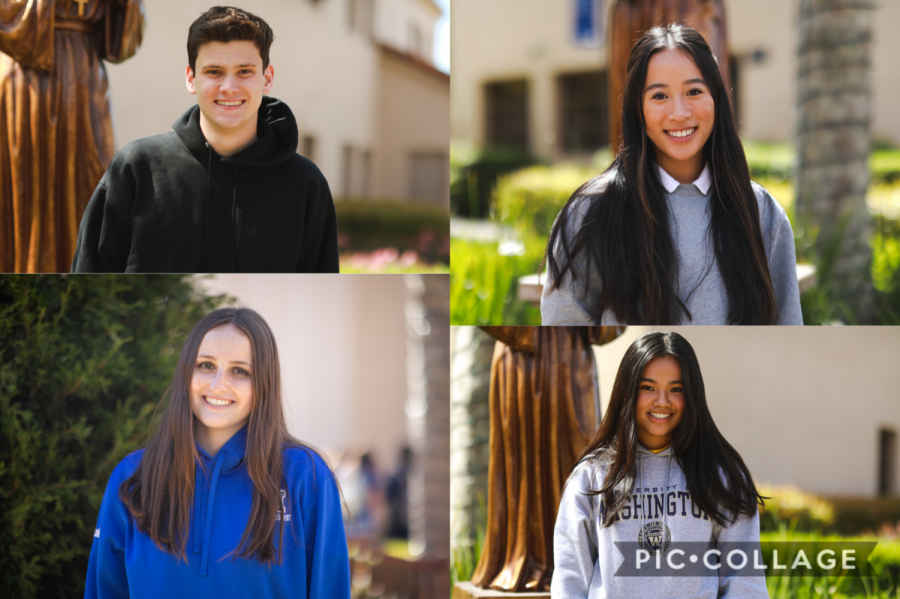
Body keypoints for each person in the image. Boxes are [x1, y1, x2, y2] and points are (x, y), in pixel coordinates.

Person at [542, 24, 802, 325]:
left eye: (694, 91)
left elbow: (787, 323)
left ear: (716, 98)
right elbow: (564, 327)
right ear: (636, 109)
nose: (679, 113)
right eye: (659, 96)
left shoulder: (762, 212)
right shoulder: (591, 212)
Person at [84, 308, 350, 598]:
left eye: (240, 371)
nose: (218, 384)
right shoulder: (133, 476)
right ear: (186, 371)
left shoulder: (305, 476)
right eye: (206, 365)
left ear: (264, 383)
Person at [70, 7, 339, 273]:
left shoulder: (305, 184)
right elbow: (87, 273)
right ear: (191, 79)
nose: (229, 87)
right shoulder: (136, 169)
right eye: (214, 71)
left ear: (266, 79)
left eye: (245, 71)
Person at [551, 331, 767, 598]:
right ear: (627, 391)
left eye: (676, 389)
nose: (662, 401)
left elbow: (744, 582)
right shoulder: (591, 477)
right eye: (648, 387)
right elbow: (570, 579)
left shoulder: (722, 477)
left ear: (692, 395)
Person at [0, 0, 144, 273]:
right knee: (26, 184)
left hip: (83, 68)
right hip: (24, 70)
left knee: (91, 181)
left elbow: (125, 36)